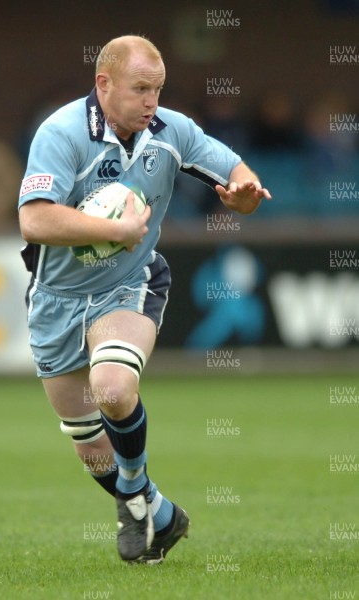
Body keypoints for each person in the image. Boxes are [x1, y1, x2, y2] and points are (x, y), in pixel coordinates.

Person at [18, 35, 271, 564]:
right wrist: (111, 226)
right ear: (104, 84)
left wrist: (245, 193)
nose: (152, 101)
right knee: (89, 447)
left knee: (112, 387)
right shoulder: (60, 133)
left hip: (128, 285)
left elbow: (235, 170)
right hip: (56, 298)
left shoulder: (170, 130)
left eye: (157, 89)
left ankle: (132, 499)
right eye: (140, 89)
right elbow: (34, 219)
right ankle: (157, 513)